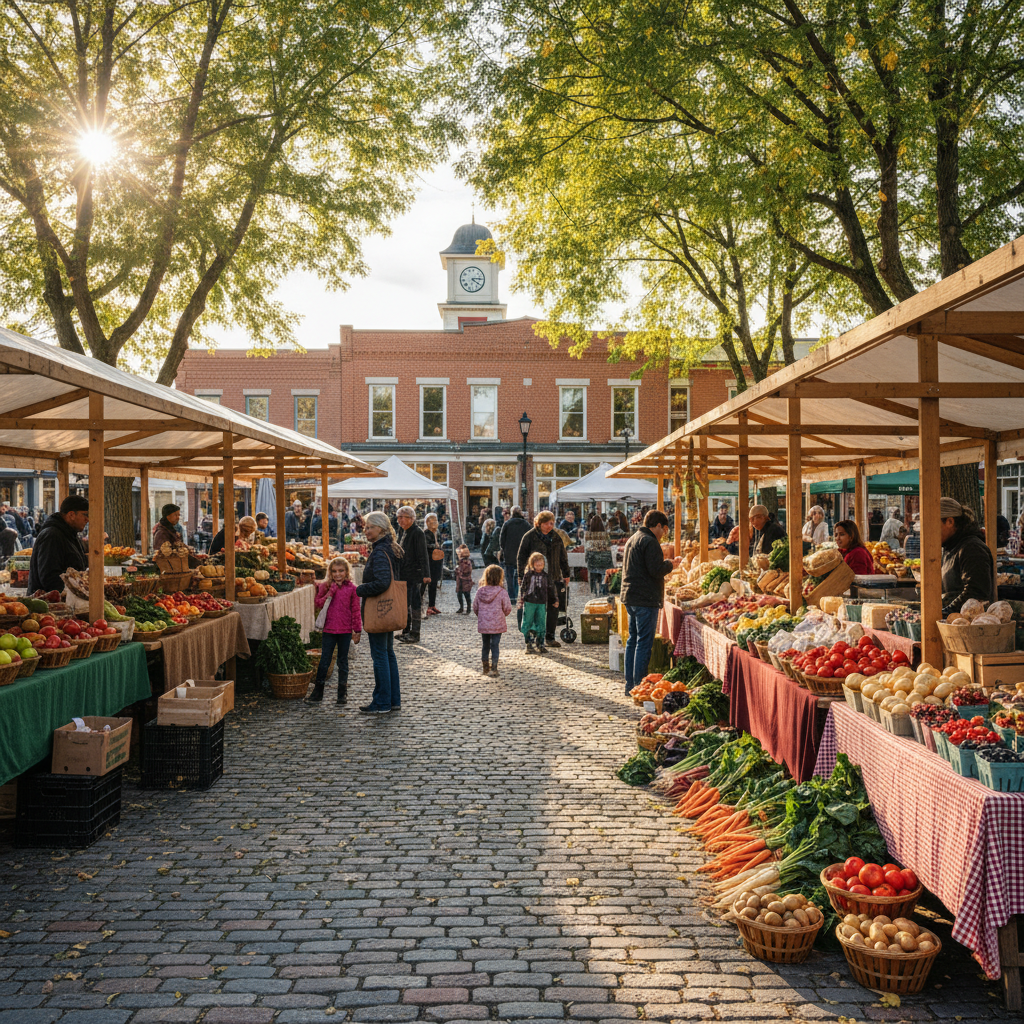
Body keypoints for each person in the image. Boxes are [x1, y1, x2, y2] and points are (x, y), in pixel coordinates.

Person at [620, 509, 676, 695]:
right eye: (664, 529)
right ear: (658, 525)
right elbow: (655, 570)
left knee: (633, 641)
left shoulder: (633, 538)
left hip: (631, 596)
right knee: (643, 643)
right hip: (645, 599)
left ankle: (631, 685)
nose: (664, 534)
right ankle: (639, 686)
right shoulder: (650, 542)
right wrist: (670, 564)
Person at [355, 511, 403, 714]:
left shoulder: (381, 551)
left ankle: (382, 702)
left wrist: (359, 589)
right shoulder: (391, 547)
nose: (366, 531)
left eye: (370, 527)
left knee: (380, 655)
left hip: (379, 609)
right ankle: (393, 700)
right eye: (365, 527)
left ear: (381, 529)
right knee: (388, 653)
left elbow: (383, 582)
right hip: (388, 609)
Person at [309, 557, 361, 705]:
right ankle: (318, 693)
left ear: (346, 572)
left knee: (343, 661)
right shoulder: (325, 586)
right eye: (334, 571)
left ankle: (342, 694)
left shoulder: (352, 588)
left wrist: (357, 630)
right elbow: (318, 603)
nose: (337, 574)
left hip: (345, 630)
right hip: (329, 630)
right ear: (330, 573)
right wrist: (329, 593)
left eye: (341, 571)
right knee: (325, 660)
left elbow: (356, 610)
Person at [516, 510, 570, 650]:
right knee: (535, 608)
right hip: (535, 579)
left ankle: (550, 637)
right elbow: (521, 557)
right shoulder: (529, 537)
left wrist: (566, 573)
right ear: (539, 524)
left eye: (552, 523)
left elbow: (563, 556)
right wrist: (521, 575)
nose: (550, 526)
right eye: (547, 523)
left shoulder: (556, 537)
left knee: (554, 607)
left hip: (554, 577)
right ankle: (533, 636)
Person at [940, 496, 995, 615]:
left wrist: (946, 612)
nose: (929, 532)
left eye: (933, 525)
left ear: (950, 521)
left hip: (968, 624)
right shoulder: (950, 547)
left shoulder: (972, 548)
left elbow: (976, 592)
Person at [27, 494, 89, 595]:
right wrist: (75, 592)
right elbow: (49, 578)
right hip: (49, 604)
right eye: (85, 515)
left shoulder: (70, 534)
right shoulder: (52, 536)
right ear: (71, 515)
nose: (88, 519)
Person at [395, 506, 429, 644]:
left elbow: (423, 554)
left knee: (414, 603)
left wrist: (426, 574)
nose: (399, 520)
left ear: (411, 518)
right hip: (403, 573)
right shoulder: (402, 531)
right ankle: (406, 630)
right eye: (398, 517)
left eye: (401, 517)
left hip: (414, 574)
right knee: (405, 603)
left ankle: (415, 633)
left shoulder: (417, 532)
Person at [474, 563, 512, 677]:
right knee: (495, 645)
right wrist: (503, 614)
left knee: (485, 645)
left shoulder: (480, 591)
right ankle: (494, 668)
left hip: (484, 624)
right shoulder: (502, 592)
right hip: (497, 624)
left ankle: (485, 667)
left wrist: (481, 616)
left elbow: (475, 607)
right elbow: (507, 607)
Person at [518, 551, 556, 654]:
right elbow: (523, 588)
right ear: (532, 564)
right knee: (527, 622)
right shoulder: (528, 575)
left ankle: (540, 643)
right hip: (530, 601)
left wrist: (554, 599)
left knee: (541, 623)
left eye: (541, 564)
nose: (539, 566)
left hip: (542, 602)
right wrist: (521, 600)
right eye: (537, 564)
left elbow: (551, 588)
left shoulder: (546, 576)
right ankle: (528, 643)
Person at [498, 506, 531, 622]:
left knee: (509, 576)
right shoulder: (526, 524)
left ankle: (512, 596)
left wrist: (504, 549)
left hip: (509, 555)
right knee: (520, 576)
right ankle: (519, 595)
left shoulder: (507, 524)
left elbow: (501, 540)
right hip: (522, 556)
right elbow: (530, 539)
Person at [423, 513, 443, 616]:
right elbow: (425, 546)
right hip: (429, 561)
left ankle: (432, 604)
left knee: (434, 583)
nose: (435, 523)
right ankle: (426, 606)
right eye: (433, 521)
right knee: (427, 584)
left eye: (436, 521)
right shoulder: (425, 533)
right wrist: (434, 546)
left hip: (436, 561)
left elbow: (439, 543)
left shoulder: (437, 532)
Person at [454, 544, 474, 612]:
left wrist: (457, 571)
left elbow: (465, 571)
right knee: (459, 594)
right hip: (460, 580)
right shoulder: (462, 562)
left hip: (465, 580)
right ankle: (462, 607)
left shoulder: (466, 562)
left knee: (466, 594)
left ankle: (468, 608)